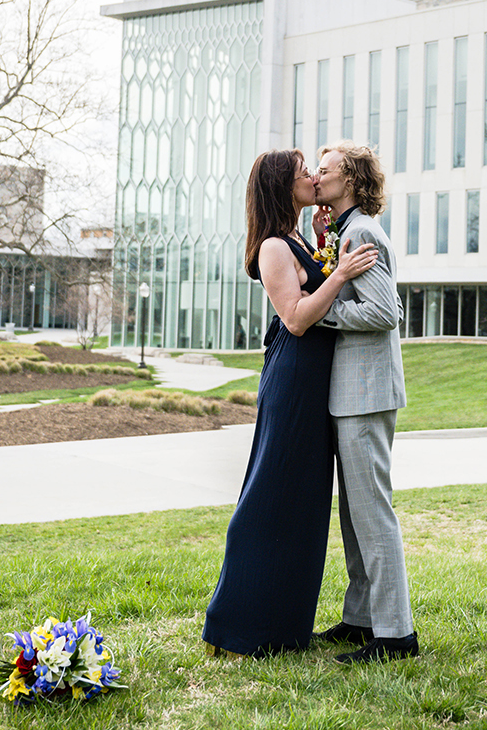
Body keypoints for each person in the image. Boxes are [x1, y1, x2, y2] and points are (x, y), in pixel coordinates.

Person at [201, 149, 377, 658]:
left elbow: (313, 286)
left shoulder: (301, 239)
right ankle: (237, 626)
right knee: (271, 499)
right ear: (281, 185)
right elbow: (298, 318)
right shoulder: (273, 247)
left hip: (316, 384)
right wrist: (340, 273)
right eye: (302, 171)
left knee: (302, 508)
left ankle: (281, 628)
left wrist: (326, 246)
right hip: (294, 384)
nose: (311, 176)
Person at [310, 141, 419, 663]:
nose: (315, 174)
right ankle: (360, 619)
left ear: (349, 179)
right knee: (354, 515)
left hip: (366, 394)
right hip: (350, 394)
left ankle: (396, 636)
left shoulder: (363, 232)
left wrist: (322, 316)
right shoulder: (342, 230)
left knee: (372, 513)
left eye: (325, 169)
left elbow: (384, 312)